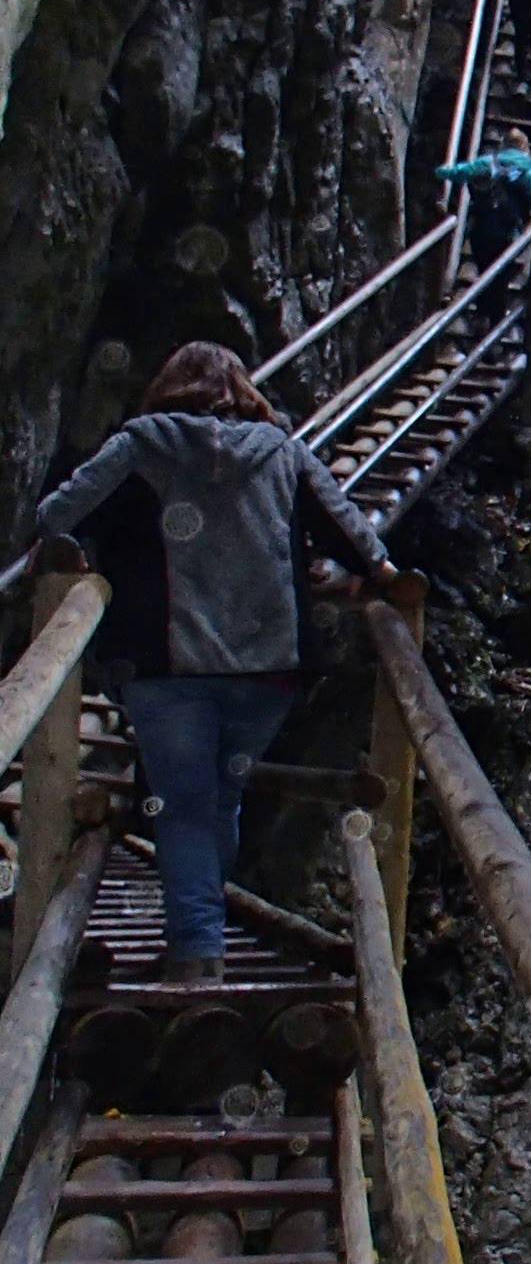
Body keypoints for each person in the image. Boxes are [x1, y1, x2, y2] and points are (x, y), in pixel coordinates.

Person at [34, 343, 399, 983]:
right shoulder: (280, 450)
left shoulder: (142, 442)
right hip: (268, 669)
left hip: (169, 667)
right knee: (218, 800)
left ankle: (197, 952)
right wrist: (386, 574)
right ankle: (200, 938)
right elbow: (344, 522)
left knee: (184, 805)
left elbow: (59, 512)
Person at [435, 128, 531, 326]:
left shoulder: (488, 163)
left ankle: (481, 314)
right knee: (500, 277)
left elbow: (460, 172)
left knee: (484, 270)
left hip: (481, 231)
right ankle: (495, 323)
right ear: (525, 148)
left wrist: (442, 172)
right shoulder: (526, 171)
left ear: (504, 145)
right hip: (507, 234)